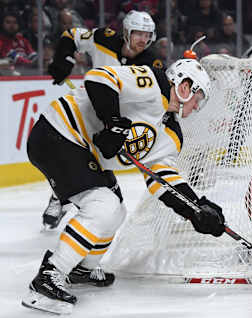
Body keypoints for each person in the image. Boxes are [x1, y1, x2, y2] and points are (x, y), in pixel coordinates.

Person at [21, 59, 226, 314]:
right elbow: (99, 78)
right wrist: (112, 122)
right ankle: (48, 278)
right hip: (58, 131)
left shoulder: (172, 134)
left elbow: (163, 180)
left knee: (116, 211)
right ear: (185, 86)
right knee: (102, 205)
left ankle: (81, 268)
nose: (197, 107)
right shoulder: (154, 82)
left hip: (83, 151)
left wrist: (195, 208)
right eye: (199, 98)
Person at [42, 10, 163, 230]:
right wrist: (64, 59)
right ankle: (58, 196)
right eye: (138, 34)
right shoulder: (104, 38)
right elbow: (71, 35)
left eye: (148, 35)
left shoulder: (151, 63)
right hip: (86, 109)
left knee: (93, 163)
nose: (144, 40)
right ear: (126, 32)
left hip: (112, 120)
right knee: (75, 156)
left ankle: (67, 198)